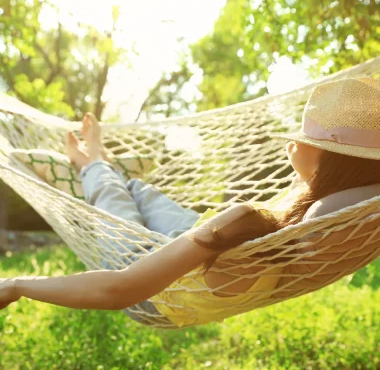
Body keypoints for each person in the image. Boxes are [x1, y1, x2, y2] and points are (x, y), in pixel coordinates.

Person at [1, 77, 380, 328]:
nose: (292, 144)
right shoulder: (334, 217)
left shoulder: (259, 221)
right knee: (141, 192)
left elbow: (118, 289)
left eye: (305, 139)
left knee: (111, 198)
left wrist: (19, 285)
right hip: (207, 239)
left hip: (149, 274)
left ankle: (93, 163)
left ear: (332, 161)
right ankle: (105, 165)